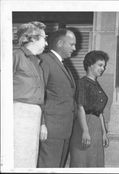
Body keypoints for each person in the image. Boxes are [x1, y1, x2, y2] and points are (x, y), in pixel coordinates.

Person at [37, 29, 77, 167]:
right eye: (71, 44)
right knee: (48, 166)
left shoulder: (62, 64)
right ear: (60, 43)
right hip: (51, 129)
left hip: (64, 130)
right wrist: (42, 123)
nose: (74, 48)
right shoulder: (45, 60)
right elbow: (39, 92)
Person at [13, 21, 47, 168]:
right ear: (32, 38)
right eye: (44, 38)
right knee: (17, 158)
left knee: (30, 160)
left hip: (34, 115)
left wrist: (43, 123)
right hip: (17, 113)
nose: (46, 44)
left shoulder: (37, 62)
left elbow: (40, 97)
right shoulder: (15, 55)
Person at [69, 50, 109, 167]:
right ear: (90, 65)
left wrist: (104, 133)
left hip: (96, 126)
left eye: (104, 66)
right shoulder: (82, 83)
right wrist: (85, 131)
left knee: (95, 161)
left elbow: (99, 112)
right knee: (82, 161)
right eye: (100, 65)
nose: (103, 68)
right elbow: (80, 107)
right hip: (84, 124)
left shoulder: (96, 85)